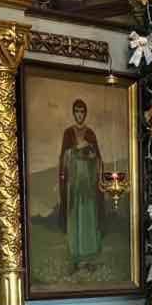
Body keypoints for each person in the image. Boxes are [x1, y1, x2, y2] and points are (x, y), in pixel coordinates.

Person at [58, 99, 103, 265]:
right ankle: (75, 256)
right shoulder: (68, 133)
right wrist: (76, 149)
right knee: (74, 216)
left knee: (88, 216)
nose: (79, 115)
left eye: (82, 111)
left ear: (85, 113)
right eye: (77, 111)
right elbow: (64, 157)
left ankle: (89, 254)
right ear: (73, 113)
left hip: (88, 184)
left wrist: (90, 152)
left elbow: (97, 158)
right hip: (74, 183)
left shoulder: (90, 133)